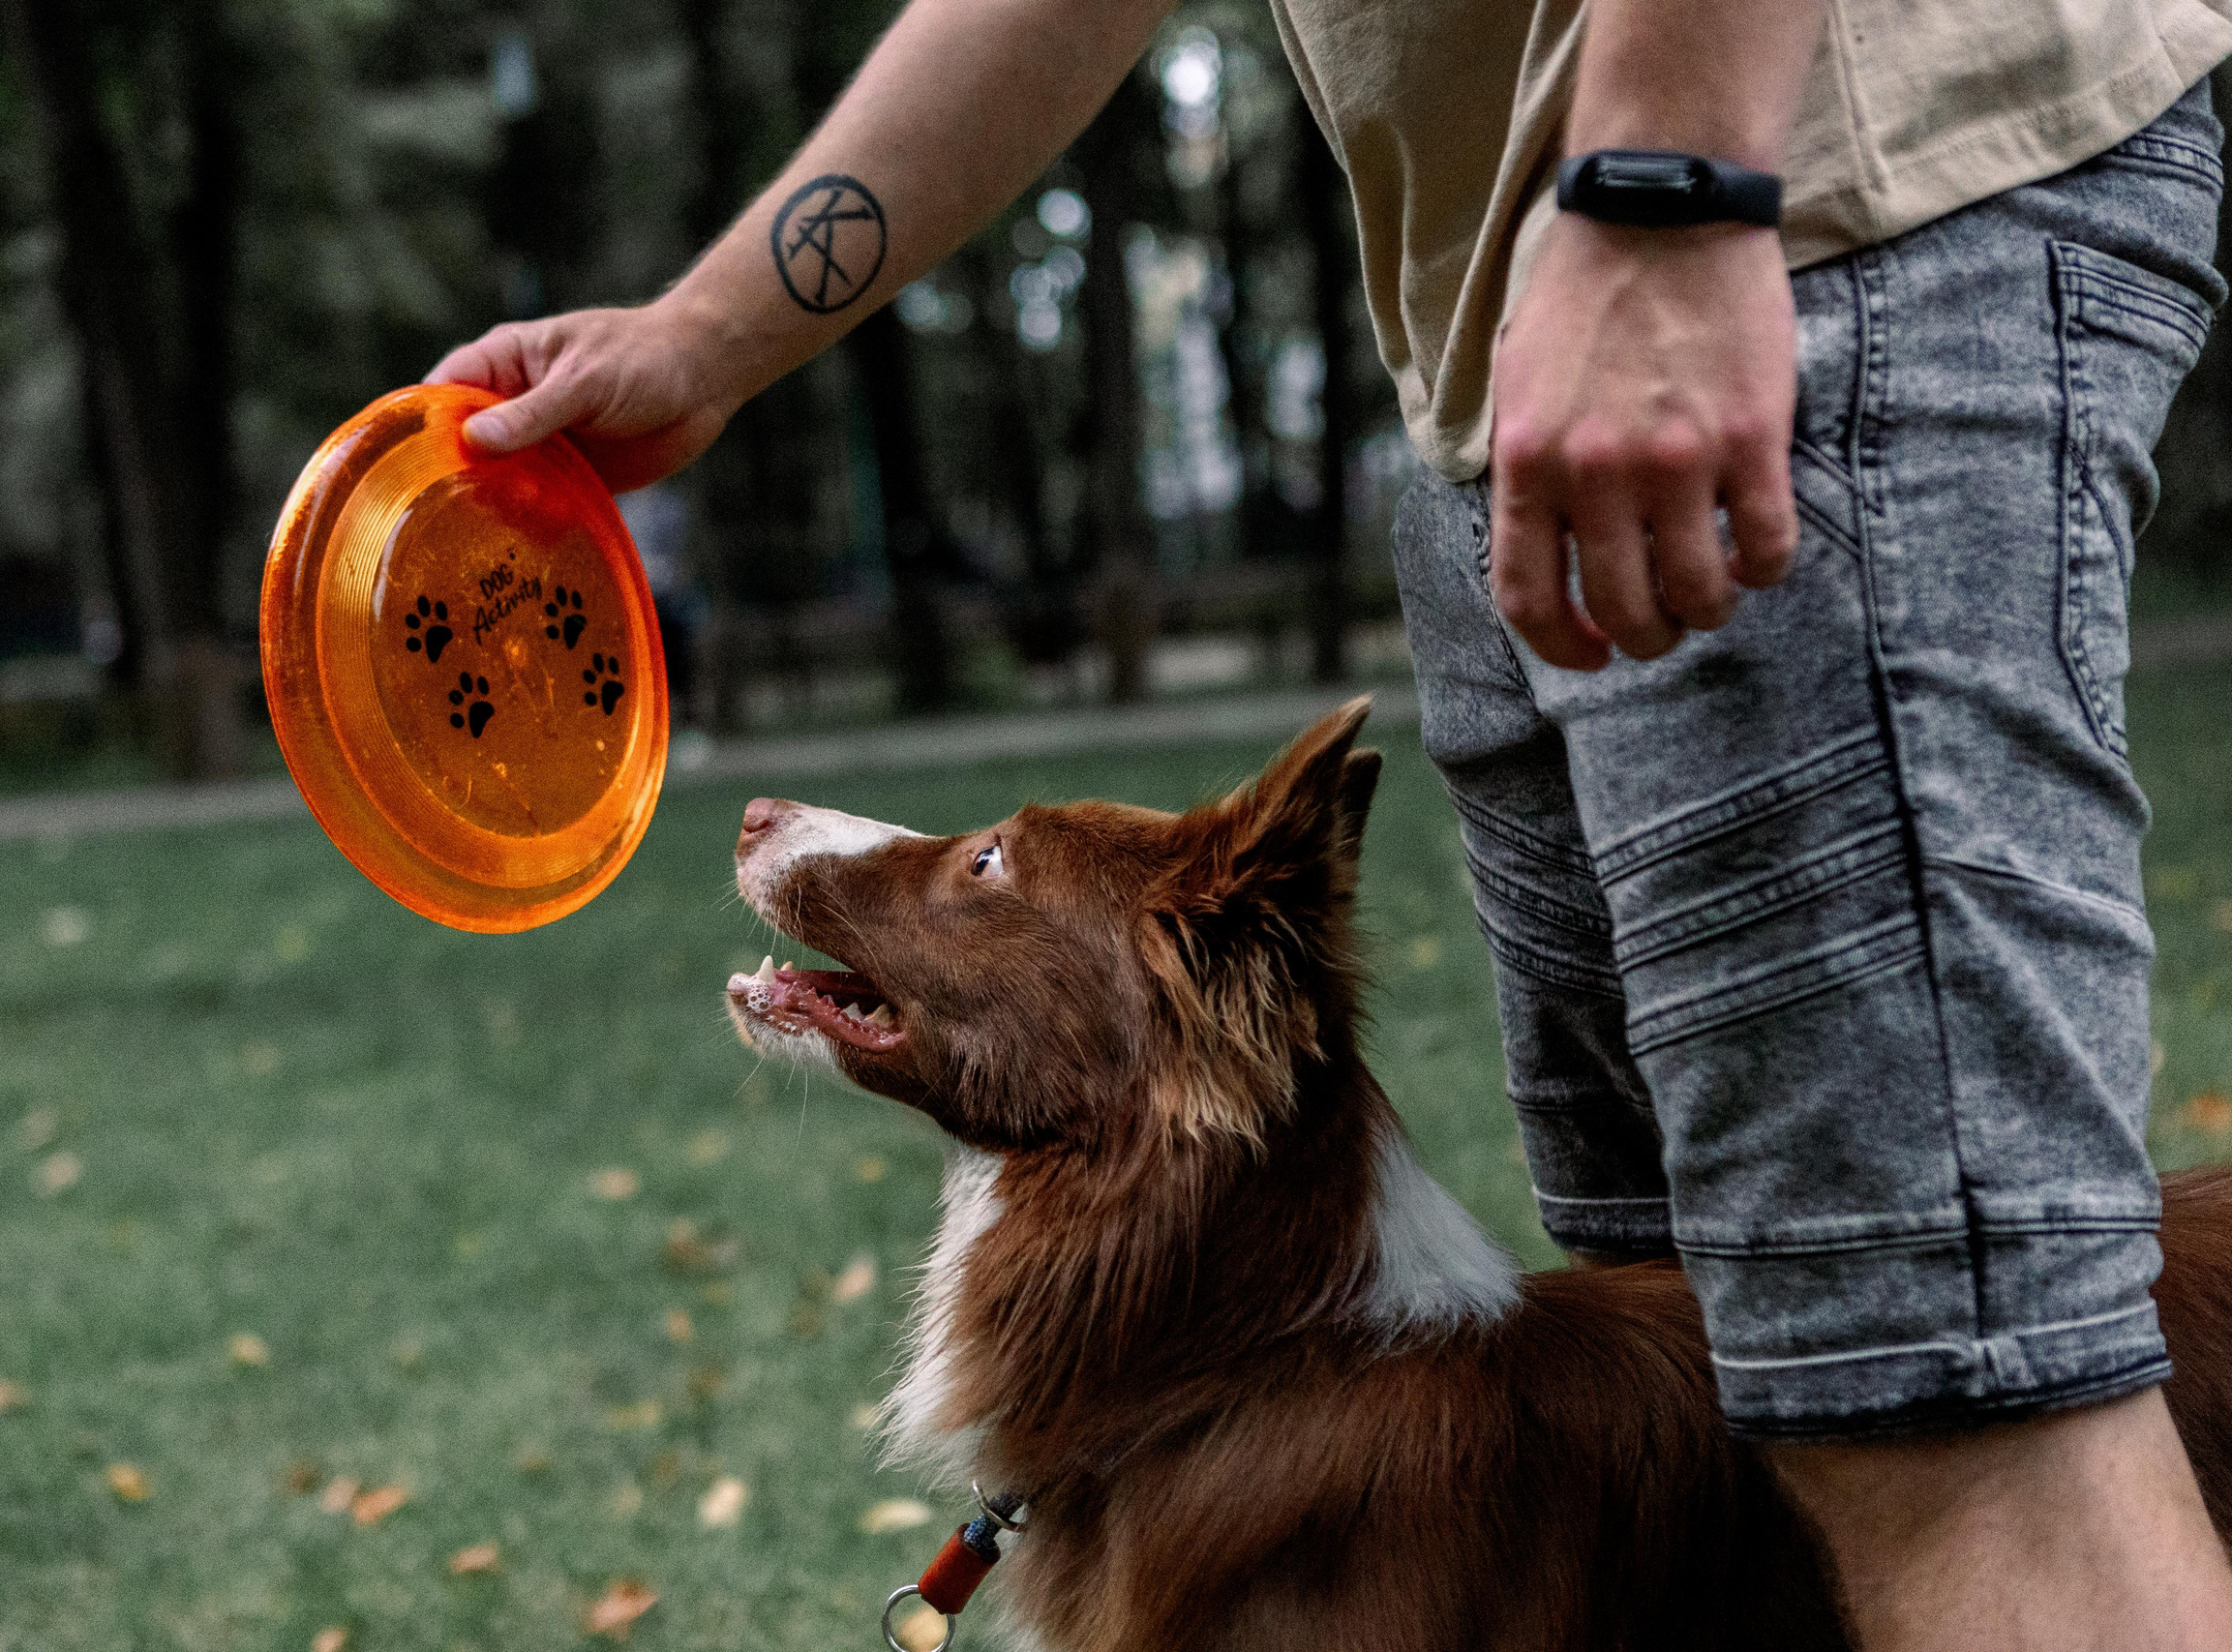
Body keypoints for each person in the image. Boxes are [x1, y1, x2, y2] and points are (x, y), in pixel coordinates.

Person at [427, 1, 2232, 1644]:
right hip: (1507, 351)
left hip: (1806, 231)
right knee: (1715, 1477)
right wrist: (712, 336)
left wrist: (1665, 187)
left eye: (986, 866)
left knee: (1957, 1417)